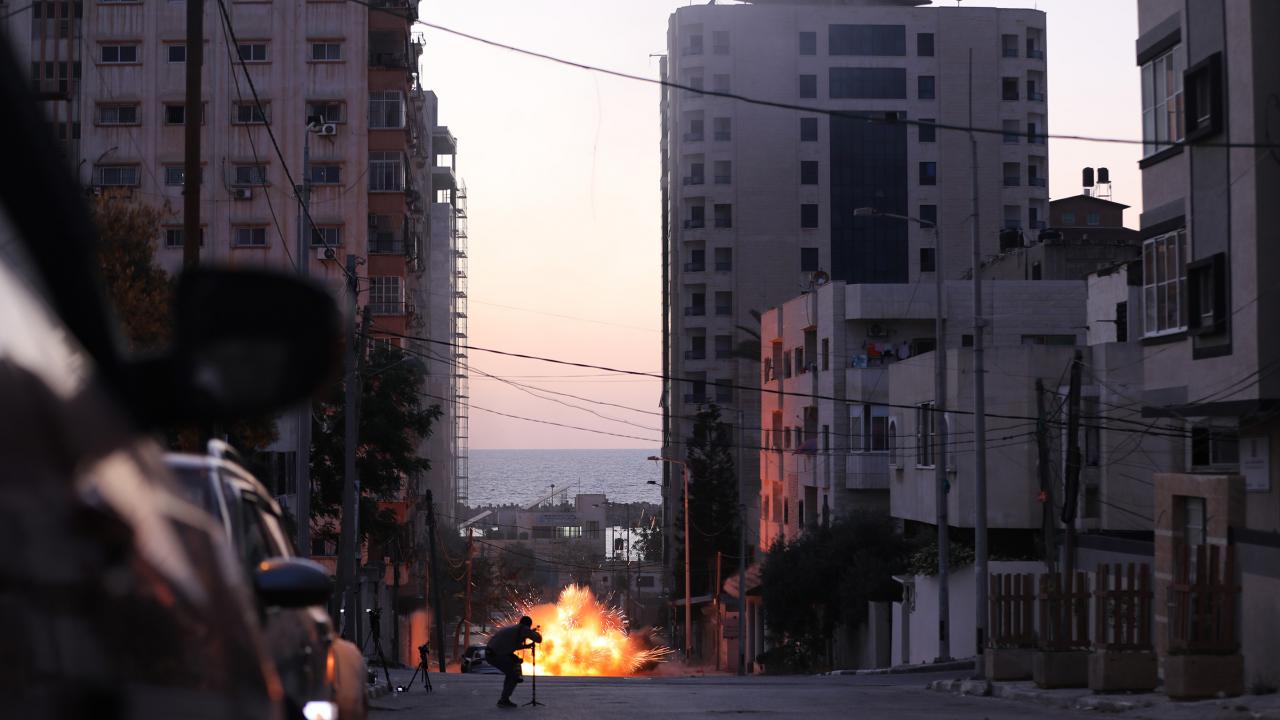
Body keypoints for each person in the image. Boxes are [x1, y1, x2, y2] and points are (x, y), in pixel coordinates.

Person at [485, 616, 543, 708]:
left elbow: (514, 645)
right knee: (513, 675)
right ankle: (504, 700)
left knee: (511, 671)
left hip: (492, 653)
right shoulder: (523, 629)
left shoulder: (515, 629)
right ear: (528, 625)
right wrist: (534, 632)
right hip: (496, 654)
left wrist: (526, 646)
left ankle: (504, 698)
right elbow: (538, 639)